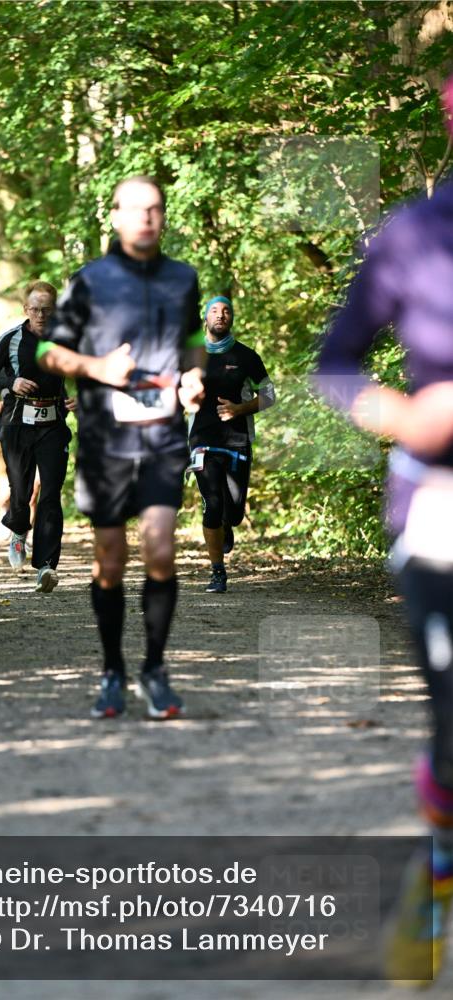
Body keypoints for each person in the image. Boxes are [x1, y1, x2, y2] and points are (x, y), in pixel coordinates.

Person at [316, 84, 453, 982]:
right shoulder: (413, 234)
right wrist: (401, 417)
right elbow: (335, 362)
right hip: (440, 504)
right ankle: (436, 876)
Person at [37, 175, 206, 719]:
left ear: (164, 215)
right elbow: (47, 351)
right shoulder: (88, 281)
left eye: (155, 209)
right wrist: (97, 368)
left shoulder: (184, 279)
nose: (147, 218)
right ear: (114, 216)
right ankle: (113, 669)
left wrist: (195, 377)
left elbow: (193, 341)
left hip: (161, 435)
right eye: (136, 210)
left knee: (160, 546)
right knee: (110, 560)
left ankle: (155, 669)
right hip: (105, 441)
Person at [0, 281, 74, 594]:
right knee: (19, 492)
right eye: (35, 309)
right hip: (16, 424)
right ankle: (18, 529)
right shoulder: (12, 338)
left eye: (47, 309)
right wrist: (11, 382)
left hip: (52, 425)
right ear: (25, 310)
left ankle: (46, 566)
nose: (41, 315)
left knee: (50, 493)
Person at [189, 295, 275, 592]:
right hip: (201, 440)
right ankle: (217, 571)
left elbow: (270, 395)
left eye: (226, 311)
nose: (220, 315)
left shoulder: (247, 357)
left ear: (232, 318)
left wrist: (239, 409)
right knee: (212, 503)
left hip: (238, 440)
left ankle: (227, 524)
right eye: (214, 311)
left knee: (234, 511)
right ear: (206, 318)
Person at [0, 389, 40, 545]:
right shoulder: (3, 368)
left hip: (38, 438)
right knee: (7, 492)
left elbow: (61, 397)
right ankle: (4, 510)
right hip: (6, 440)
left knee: (33, 491)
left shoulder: (44, 368)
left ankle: (23, 536)